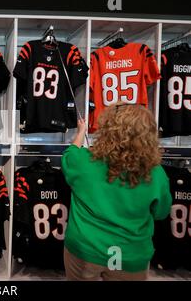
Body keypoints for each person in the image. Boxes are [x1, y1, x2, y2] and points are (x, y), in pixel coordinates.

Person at [61, 103, 172, 281]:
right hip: (130, 255)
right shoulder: (156, 173)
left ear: (107, 130)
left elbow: (69, 154)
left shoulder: (82, 161)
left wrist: (81, 131)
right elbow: (161, 213)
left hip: (86, 250)